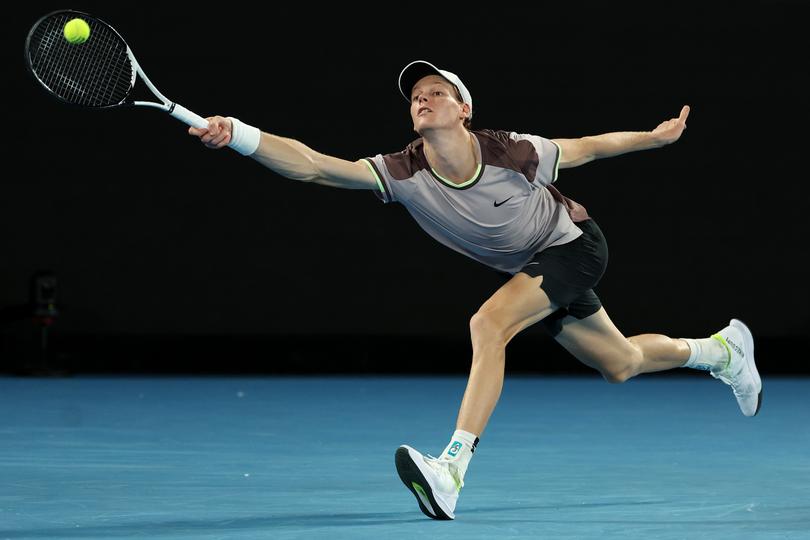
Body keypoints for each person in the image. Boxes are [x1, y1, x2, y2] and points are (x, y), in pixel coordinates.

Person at [188, 60, 762, 521]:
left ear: (464, 109)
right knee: (622, 362)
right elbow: (314, 166)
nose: (423, 98)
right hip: (536, 266)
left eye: (437, 91)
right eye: (416, 94)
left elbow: (587, 146)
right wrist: (238, 135)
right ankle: (722, 351)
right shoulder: (403, 171)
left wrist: (654, 139)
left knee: (488, 325)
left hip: (574, 246)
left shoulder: (509, 150)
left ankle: (452, 468)